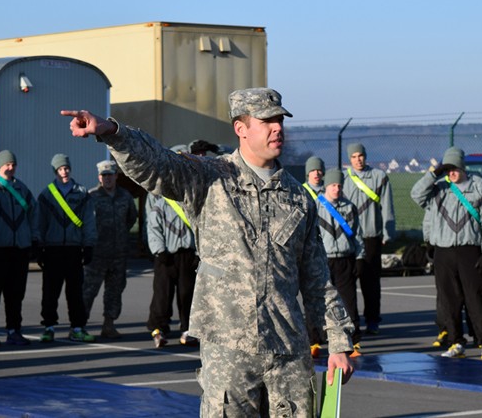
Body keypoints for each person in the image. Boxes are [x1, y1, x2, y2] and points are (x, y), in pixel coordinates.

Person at [62, 87, 355, 417]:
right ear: (240, 128)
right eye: (267, 121)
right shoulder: (210, 178)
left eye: (280, 120)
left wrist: (339, 343)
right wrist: (112, 132)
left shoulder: (297, 198)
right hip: (228, 351)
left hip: (288, 351)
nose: (277, 128)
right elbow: (157, 164)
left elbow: (318, 281)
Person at [411, 147, 482, 361]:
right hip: (444, 251)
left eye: (454, 168)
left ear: (462, 167)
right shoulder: (439, 189)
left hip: (470, 250)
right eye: (448, 169)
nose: (451, 173)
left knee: (476, 298)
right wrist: (434, 174)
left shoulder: (479, 188)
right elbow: (416, 194)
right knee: (449, 301)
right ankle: (455, 341)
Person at [0, 150, 40, 347]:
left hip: (19, 249)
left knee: (15, 294)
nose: (11, 168)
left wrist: (34, 240)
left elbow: (33, 215)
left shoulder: (22, 189)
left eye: (13, 164)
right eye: (7, 164)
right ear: (0, 166)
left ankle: (14, 330)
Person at [37, 153, 97, 343]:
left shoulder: (81, 192)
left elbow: (89, 220)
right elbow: (40, 222)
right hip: (53, 249)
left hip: (73, 248)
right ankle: (49, 327)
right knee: (50, 292)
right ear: (55, 171)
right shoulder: (46, 195)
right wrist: (38, 245)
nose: (64, 171)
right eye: (60, 169)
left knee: (75, 292)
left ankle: (77, 327)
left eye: (66, 168)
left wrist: (88, 245)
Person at [145, 147, 200, 348]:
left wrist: (198, 251)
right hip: (166, 254)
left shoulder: (192, 190)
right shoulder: (158, 191)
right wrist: (159, 251)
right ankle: (159, 329)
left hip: (188, 253)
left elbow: (200, 224)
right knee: (162, 294)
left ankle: (188, 329)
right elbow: (153, 224)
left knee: (188, 294)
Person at [343, 142, 395, 334]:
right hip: (349, 238)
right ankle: (350, 321)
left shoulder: (379, 177)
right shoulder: (344, 179)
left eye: (361, 156)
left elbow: (388, 206)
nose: (358, 160)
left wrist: (388, 232)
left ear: (366, 156)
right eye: (354, 157)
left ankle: (373, 320)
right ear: (349, 159)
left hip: (372, 235)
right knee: (348, 283)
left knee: (371, 282)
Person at [83, 159, 138, 339]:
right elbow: (85, 223)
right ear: (99, 177)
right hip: (96, 255)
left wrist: (120, 234)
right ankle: (79, 325)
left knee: (114, 291)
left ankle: (109, 325)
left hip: (118, 254)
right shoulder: (91, 197)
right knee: (88, 291)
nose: (107, 179)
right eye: (104, 175)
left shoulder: (125, 196)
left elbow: (131, 218)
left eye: (110, 175)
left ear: (116, 176)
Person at [315, 168, 365, 357]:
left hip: (345, 259)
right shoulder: (315, 206)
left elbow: (357, 234)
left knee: (348, 300)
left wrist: (360, 257)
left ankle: (353, 341)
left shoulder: (349, 207)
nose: (336, 189)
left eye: (339, 185)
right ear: (326, 186)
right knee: (319, 301)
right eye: (333, 185)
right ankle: (315, 341)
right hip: (323, 259)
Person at [302, 156, 327, 357]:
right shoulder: (300, 192)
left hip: (328, 250)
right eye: (313, 170)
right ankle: (313, 338)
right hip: (306, 250)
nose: (316, 173)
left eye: (319, 170)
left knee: (327, 295)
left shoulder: (330, 192)